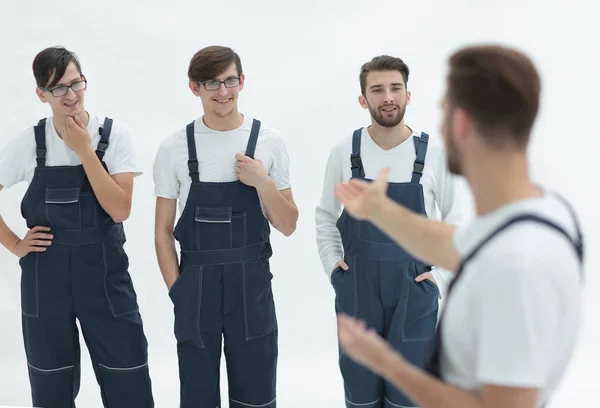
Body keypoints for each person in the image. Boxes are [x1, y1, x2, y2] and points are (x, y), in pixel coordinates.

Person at [334, 44, 584, 408]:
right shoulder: (539, 214)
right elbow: (463, 247)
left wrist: (389, 365)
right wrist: (380, 211)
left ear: (461, 123)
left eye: (443, 111)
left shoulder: (516, 268)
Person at [0, 47, 154, 407]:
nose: (71, 95)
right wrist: (15, 244)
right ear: (41, 94)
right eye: (58, 88)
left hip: (104, 275)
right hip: (45, 277)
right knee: (50, 381)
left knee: (127, 374)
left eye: (76, 84)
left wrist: (85, 149)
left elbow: (119, 210)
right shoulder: (28, 143)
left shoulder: (114, 136)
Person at [315, 55, 465, 408]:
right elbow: (324, 214)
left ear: (408, 95)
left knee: (409, 392)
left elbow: (455, 219)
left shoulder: (433, 155)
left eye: (395, 88)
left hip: (414, 289)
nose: (388, 97)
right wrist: (334, 266)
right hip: (357, 286)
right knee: (360, 388)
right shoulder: (345, 151)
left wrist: (439, 278)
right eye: (377, 90)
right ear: (363, 100)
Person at [153, 45, 298, 408]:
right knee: (198, 396)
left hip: (251, 285)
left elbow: (288, 224)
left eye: (230, 81)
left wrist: (262, 182)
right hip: (196, 286)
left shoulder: (269, 142)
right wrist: (178, 290)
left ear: (242, 81)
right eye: (211, 83)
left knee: (257, 394)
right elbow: (162, 229)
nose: (223, 92)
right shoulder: (174, 148)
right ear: (194, 88)